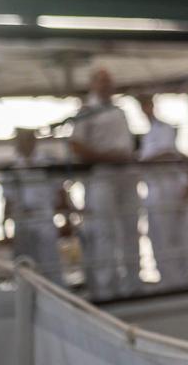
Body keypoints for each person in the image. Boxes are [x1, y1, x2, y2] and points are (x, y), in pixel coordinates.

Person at [69, 68, 141, 300]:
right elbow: (76, 145)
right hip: (103, 176)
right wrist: (108, 157)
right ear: (93, 85)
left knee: (131, 229)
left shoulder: (120, 111)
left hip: (126, 176)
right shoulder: (86, 111)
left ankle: (133, 283)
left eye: (110, 81)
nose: (107, 86)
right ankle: (106, 287)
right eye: (103, 81)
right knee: (104, 232)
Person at [136, 94, 188, 291]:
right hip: (156, 191)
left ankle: (186, 281)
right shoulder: (148, 134)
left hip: (170, 190)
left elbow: (167, 154)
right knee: (160, 239)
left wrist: (143, 161)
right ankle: (170, 282)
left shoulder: (163, 128)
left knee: (179, 238)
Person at [3, 128, 64, 283]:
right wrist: (5, 227)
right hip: (22, 219)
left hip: (43, 216)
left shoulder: (48, 164)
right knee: (24, 263)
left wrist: (67, 218)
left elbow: (60, 191)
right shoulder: (12, 168)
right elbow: (8, 199)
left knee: (50, 261)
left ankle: (56, 294)